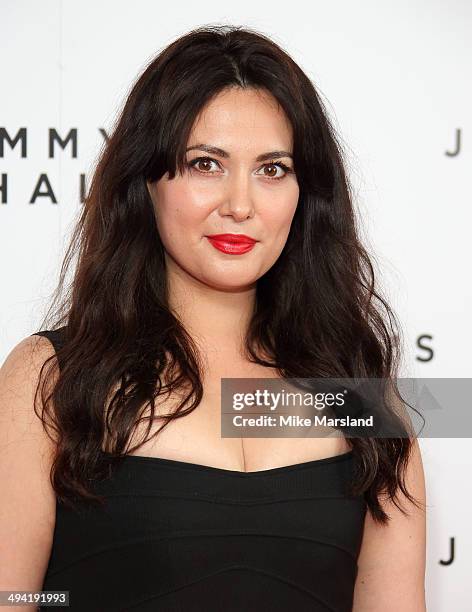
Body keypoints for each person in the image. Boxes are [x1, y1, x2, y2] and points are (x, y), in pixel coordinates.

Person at [0, 24, 426, 611]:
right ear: (145, 182)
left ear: (307, 195)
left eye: (272, 169)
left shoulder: (361, 396)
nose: (240, 205)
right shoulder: (52, 377)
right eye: (206, 164)